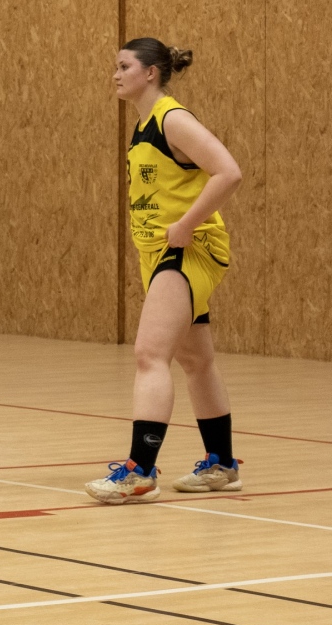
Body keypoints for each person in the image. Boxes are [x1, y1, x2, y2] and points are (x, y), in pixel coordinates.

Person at [86, 39, 243, 504]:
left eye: (124, 66)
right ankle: (221, 464)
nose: (115, 74)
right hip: (160, 254)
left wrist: (187, 224)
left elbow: (228, 172)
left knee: (149, 354)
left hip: (188, 249)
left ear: (150, 73)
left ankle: (139, 471)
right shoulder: (143, 127)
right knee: (196, 361)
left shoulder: (172, 119)